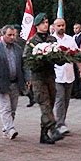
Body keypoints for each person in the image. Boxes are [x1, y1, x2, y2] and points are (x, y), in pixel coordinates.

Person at [25, 13, 65, 145]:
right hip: (38, 78)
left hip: (50, 76)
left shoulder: (52, 40)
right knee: (45, 104)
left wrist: (60, 58)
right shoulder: (32, 42)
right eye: (42, 23)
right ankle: (53, 130)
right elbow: (26, 60)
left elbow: (58, 57)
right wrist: (38, 61)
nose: (45, 25)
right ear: (37, 26)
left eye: (47, 22)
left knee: (51, 103)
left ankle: (43, 135)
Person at [0, 25, 25, 140]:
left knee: (13, 109)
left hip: (15, 82)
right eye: (9, 35)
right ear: (2, 35)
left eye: (14, 35)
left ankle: (6, 129)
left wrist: (27, 79)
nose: (12, 37)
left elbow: (23, 65)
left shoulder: (18, 49)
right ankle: (10, 129)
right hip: (2, 83)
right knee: (5, 108)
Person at [52, 18, 81, 135]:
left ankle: (61, 121)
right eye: (58, 26)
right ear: (54, 27)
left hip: (69, 75)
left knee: (66, 100)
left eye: (63, 25)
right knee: (60, 99)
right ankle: (59, 124)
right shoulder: (51, 40)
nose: (61, 28)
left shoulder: (70, 39)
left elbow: (77, 56)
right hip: (56, 75)